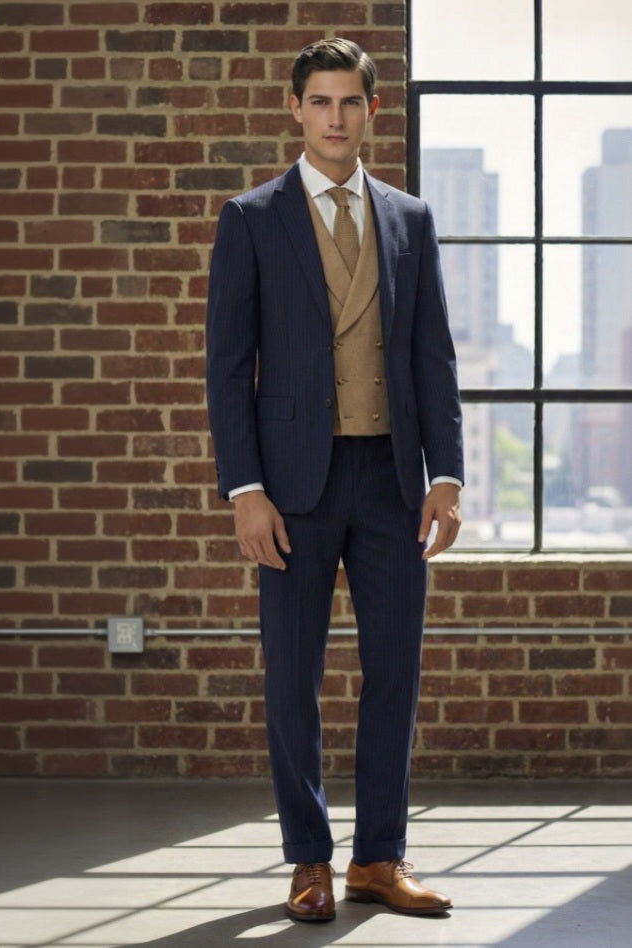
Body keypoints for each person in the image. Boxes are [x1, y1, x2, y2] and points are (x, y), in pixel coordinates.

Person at [206, 38, 463, 923]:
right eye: (319, 102)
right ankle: (308, 860)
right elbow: (226, 365)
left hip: (393, 479)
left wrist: (448, 474)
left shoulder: (408, 219)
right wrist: (244, 489)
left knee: (395, 672)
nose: (335, 119)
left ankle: (379, 860)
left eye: (350, 103)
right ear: (296, 110)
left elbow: (433, 357)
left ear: (372, 112)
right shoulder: (251, 218)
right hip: (291, 486)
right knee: (292, 678)